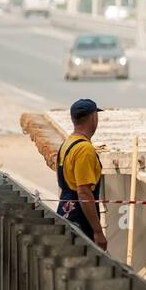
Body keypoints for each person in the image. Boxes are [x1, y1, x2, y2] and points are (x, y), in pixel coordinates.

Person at [55, 98, 107, 249]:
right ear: (93, 118)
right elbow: (84, 193)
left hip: (65, 212)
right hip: (80, 219)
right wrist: (98, 231)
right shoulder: (85, 150)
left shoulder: (68, 143)